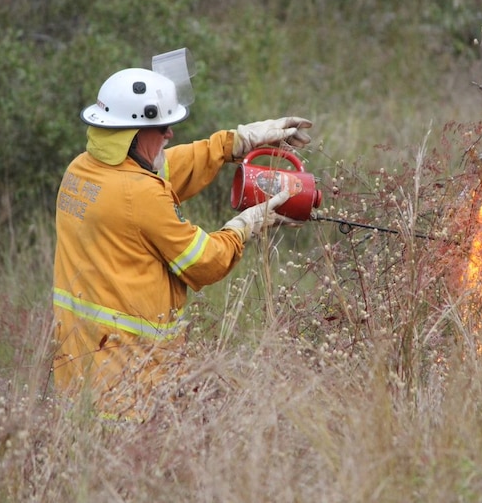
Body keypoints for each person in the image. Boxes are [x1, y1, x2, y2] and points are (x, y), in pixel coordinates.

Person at [51, 59, 312, 419]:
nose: (170, 134)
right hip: (128, 385)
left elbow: (166, 168)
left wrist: (233, 143)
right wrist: (247, 225)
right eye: (162, 127)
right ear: (133, 133)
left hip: (79, 377)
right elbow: (203, 262)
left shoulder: (83, 169)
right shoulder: (139, 194)